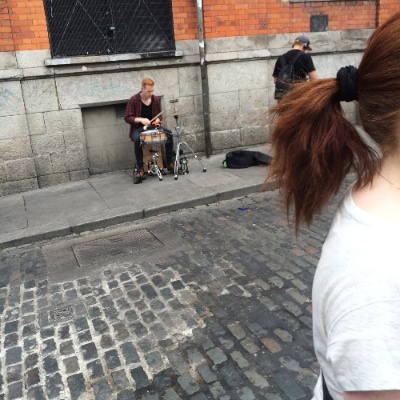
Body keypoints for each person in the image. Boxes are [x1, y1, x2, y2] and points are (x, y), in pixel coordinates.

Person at [268, 11, 400, 400]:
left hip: (290, 105)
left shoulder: (282, 56)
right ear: (306, 46)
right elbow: (313, 83)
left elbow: (277, 84)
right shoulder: (376, 278)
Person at [124, 78, 174, 184]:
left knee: (169, 134)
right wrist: (141, 119)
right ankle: (140, 168)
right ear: (142, 88)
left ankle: (169, 163)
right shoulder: (134, 99)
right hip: (139, 128)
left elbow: (158, 117)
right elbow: (127, 117)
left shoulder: (155, 99)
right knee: (137, 139)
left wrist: (157, 120)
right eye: (148, 91)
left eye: (152, 91)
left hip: (153, 126)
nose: (151, 94)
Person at [272, 35, 317, 100]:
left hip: (282, 96)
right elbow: (313, 78)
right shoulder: (305, 57)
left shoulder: (281, 58)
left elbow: (275, 80)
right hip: (298, 95)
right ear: (304, 45)